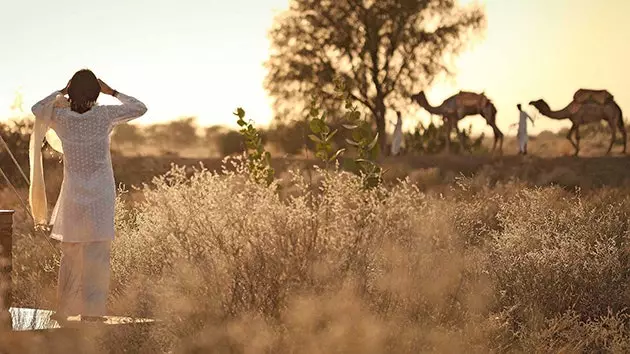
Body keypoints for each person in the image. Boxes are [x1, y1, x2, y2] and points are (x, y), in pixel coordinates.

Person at [30, 69, 147, 322]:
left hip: (73, 194)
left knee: (70, 251)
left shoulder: (60, 118)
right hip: (100, 195)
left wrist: (60, 91)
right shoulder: (105, 115)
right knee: (97, 253)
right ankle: (92, 313)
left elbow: (37, 109)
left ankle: (64, 310)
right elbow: (140, 108)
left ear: (71, 92)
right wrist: (113, 92)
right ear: (97, 92)